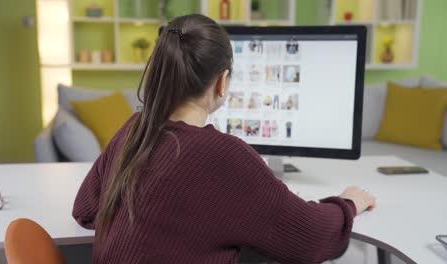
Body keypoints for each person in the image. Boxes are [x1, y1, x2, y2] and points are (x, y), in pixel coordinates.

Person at [73, 14, 376, 264]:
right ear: (222, 81)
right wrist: (348, 202)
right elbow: (311, 238)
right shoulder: (224, 156)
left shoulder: (135, 128)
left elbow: (85, 209)